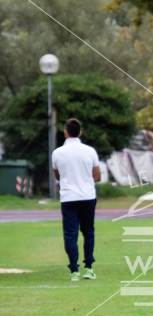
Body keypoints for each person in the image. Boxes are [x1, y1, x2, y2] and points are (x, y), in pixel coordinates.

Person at [52, 118, 101, 282]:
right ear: (80, 132)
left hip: (68, 197)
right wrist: (84, 181)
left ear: (65, 132)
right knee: (88, 232)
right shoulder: (90, 151)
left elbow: (57, 175)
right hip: (87, 196)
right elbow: (97, 176)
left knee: (70, 234)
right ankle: (88, 268)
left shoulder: (57, 153)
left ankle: (74, 270)